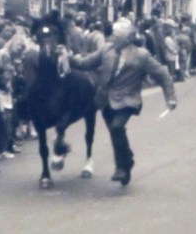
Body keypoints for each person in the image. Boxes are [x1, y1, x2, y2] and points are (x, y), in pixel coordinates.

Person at [72, 18, 177, 186]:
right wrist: (69, 58)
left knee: (117, 127)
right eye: (113, 35)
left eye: (117, 35)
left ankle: (121, 167)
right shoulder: (107, 49)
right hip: (105, 99)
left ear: (127, 38)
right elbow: (86, 63)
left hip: (128, 99)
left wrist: (170, 98)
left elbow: (163, 74)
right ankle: (127, 161)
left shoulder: (142, 55)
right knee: (115, 132)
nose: (113, 38)